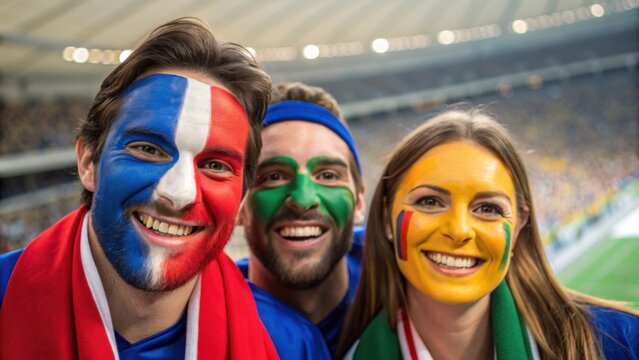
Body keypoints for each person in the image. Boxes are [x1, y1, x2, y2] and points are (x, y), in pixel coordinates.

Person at [0, 18, 282, 359]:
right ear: (89, 163)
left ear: (241, 198)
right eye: (148, 149)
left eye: (215, 166)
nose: (179, 194)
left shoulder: (291, 343)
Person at [338, 109, 639, 359]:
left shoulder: (621, 343)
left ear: (520, 224)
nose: (459, 231)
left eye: (488, 209)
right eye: (429, 202)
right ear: (388, 219)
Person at [237, 82, 366, 356]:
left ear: (359, 201)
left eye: (328, 175)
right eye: (273, 176)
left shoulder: (405, 285)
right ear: (238, 204)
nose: (303, 199)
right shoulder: (205, 319)